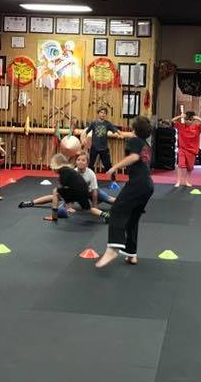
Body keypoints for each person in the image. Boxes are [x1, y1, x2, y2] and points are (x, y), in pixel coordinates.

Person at [96, 116, 154, 268]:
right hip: (148, 186)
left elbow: (134, 157)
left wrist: (115, 167)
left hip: (137, 184)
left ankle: (113, 249)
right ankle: (131, 254)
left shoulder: (134, 141)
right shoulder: (146, 145)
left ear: (134, 129)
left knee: (116, 211)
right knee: (132, 218)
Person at [18, 153, 108, 222]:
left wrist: (68, 206)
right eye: (78, 160)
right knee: (89, 209)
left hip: (79, 192)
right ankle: (104, 215)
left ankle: (54, 216)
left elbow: (66, 189)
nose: (80, 162)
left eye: (83, 160)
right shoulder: (71, 171)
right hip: (83, 192)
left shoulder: (65, 174)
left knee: (55, 192)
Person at [81, 107, 120, 179]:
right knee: (90, 165)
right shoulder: (93, 123)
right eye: (101, 112)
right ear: (98, 113)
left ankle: (113, 180)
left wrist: (120, 134)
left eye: (104, 113)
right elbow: (86, 131)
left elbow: (115, 130)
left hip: (104, 148)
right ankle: (88, 179)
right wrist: (83, 139)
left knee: (108, 165)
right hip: (94, 148)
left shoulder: (107, 124)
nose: (103, 114)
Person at [171, 110, 201, 188]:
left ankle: (187, 181)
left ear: (193, 120)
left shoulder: (197, 127)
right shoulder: (181, 126)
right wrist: (181, 116)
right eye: (187, 119)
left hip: (192, 150)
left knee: (189, 167)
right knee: (180, 165)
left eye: (190, 120)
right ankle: (178, 181)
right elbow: (172, 120)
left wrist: (198, 118)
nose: (188, 121)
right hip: (182, 149)